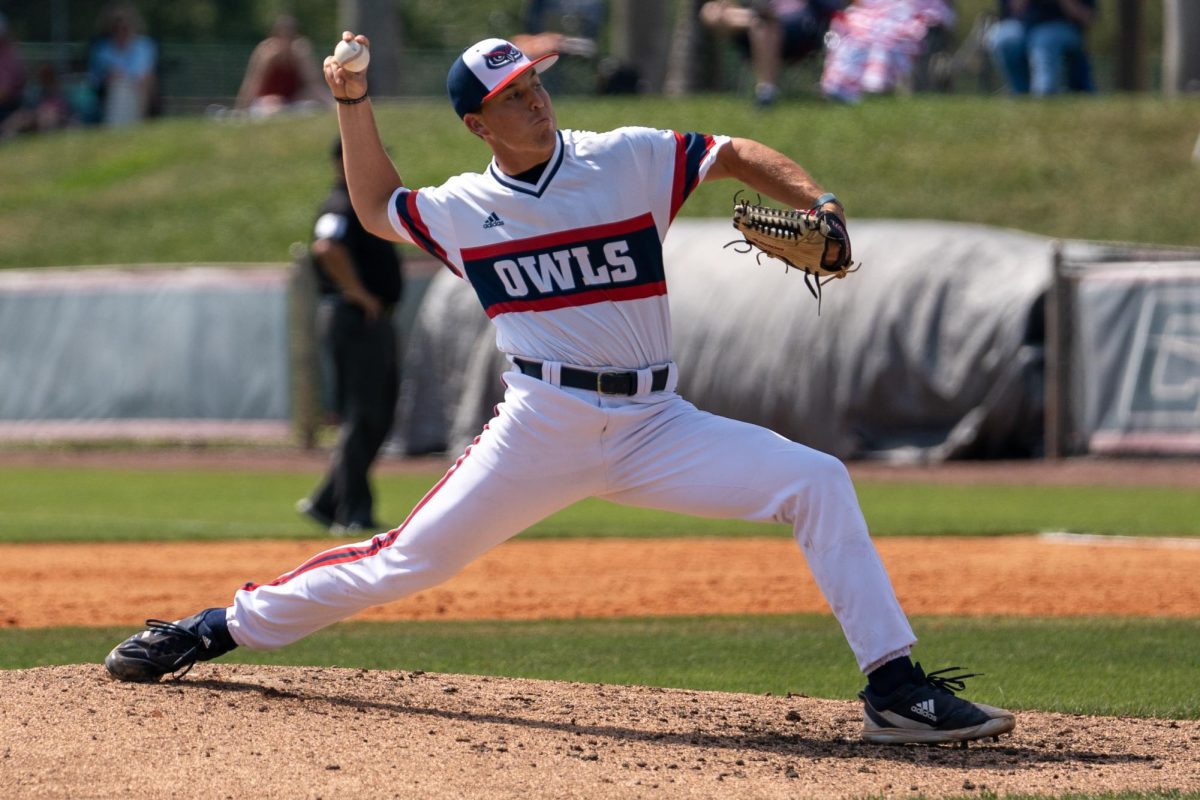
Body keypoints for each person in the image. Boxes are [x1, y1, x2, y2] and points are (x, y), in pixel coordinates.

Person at [104, 31, 1016, 747]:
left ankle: (895, 689)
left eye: (536, 85)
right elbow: (378, 204)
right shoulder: (464, 210)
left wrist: (819, 203)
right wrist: (351, 100)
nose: (534, 101)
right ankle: (217, 627)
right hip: (542, 423)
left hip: (657, 421)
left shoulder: (621, 158)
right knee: (403, 561)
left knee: (816, 480)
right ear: (478, 123)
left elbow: (731, 151)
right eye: (512, 97)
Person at [295, 136, 404, 536]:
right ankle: (351, 511)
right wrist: (359, 294)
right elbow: (326, 248)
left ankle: (327, 501)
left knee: (378, 414)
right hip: (355, 318)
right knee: (363, 414)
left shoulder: (363, 204)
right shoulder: (341, 203)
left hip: (368, 318)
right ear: (340, 163)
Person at [700, 0, 845, 106]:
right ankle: (753, 18)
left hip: (799, 28)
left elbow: (830, 7)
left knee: (764, 23)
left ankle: (767, 90)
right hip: (754, 25)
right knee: (710, 11)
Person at [820, 0, 955, 104]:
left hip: (910, 13)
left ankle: (872, 85)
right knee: (853, 32)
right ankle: (844, 86)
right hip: (873, 12)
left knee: (886, 34)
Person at [985, 0, 1096, 95]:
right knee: (1002, 37)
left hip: (1064, 29)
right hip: (1024, 26)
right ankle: (1020, 94)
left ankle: (1043, 95)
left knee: (1044, 40)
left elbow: (1087, 18)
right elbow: (1012, 11)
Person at [234, 15, 332, 118]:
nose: (286, 39)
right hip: (267, 102)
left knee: (311, 97)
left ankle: (336, 107)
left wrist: (330, 102)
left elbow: (314, 84)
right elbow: (253, 84)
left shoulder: (300, 53)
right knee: (273, 105)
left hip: (290, 101)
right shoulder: (266, 52)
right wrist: (241, 109)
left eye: (290, 35)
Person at [87, 2, 158, 126]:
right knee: (117, 84)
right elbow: (97, 77)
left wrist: (130, 79)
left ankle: (141, 120)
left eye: (126, 27)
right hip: (111, 89)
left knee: (144, 81)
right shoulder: (103, 49)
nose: (122, 31)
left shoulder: (144, 46)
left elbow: (145, 73)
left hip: (138, 88)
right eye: (118, 28)